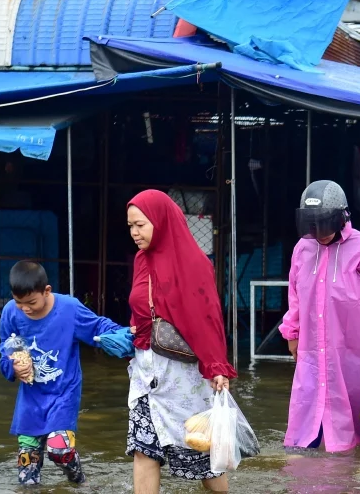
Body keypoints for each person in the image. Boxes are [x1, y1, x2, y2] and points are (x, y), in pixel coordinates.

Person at [125, 190, 236, 494]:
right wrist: (129, 337)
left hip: (183, 377)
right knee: (144, 448)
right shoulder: (140, 260)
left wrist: (216, 366)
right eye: (131, 226)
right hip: (146, 371)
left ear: (160, 222)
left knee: (201, 451)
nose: (134, 233)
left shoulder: (195, 264)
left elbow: (207, 320)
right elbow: (140, 311)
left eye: (141, 225)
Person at [280, 180, 360, 452]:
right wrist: (291, 332)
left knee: (356, 428)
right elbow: (295, 294)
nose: (319, 233)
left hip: (352, 352)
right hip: (311, 350)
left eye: (325, 225)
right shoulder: (302, 249)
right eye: (313, 225)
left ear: (341, 218)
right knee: (305, 433)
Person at [0, 261, 125, 486]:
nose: (25, 308)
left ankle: (79, 481)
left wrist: (123, 336)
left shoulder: (69, 308)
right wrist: (13, 367)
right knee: (27, 474)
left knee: (60, 450)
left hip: (63, 394)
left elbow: (97, 327)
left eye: (31, 302)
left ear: (47, 291)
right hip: (30, 399)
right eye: (19, 303)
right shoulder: (11, 313)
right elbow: (6, 348)